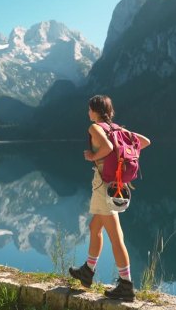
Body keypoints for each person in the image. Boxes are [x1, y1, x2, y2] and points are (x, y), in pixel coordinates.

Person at [69, 94, 151, 301]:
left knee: (116, 236)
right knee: (95, 228)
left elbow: (108, 148)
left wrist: (93, 157)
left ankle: (126, 285)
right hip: (115, 185)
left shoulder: (95, 128)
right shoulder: (117, 129)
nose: (88, 113)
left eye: (89, 109)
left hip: (103, 186)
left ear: (95, 111)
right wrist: (124, 155)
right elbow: (144, 142)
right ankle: (87, 271)